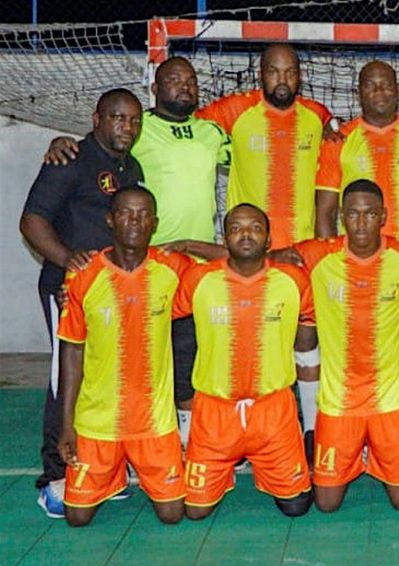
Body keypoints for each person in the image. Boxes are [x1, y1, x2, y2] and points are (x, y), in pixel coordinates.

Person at [43, 56, 232, 452]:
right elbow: (91, 151)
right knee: (98, 365)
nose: (185, 86)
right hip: (116, 273)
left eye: (191, 80)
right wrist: (62, 143)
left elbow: (254, 150)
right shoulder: (126, 136)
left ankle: (171, 445)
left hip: (185, 270)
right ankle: (65, 465)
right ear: (155, 88)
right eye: (174, 79)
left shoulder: (209, 134)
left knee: (179, 363)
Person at [20, 88, 144, 518]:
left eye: (133, 120)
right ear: (97, 119)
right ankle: (55, 477)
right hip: (68, 290)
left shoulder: (130, 167)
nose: (126, 127)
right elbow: (32, 220)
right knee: (65, 381)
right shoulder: (69, 159)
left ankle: (101, 471)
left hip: (111, 294)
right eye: (117, 118)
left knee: (102, 381)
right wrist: (66, 260)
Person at [294, 180, 399, 513]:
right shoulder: (317, 255)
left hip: (391, 400)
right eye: (353, 214)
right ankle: (359, 452)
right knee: (326, 504)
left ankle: (378, 454)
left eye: (370, 214)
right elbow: (260, 257)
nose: (361, 223)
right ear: (341, 216)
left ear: (383, 216)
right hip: (340, 402)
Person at [56, 186, 188, 527]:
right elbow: (72, 349)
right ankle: (108, 477)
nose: (135, 221)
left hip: (154, 421)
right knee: (77, 518)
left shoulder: (172, 268)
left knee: (173, 514)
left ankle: (127, 473)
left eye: (144, 214)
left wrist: (191, 245)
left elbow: (232, 263)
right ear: (110, 220)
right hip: (98, 421)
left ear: (155, 223)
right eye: (127, 213)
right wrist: (66, 423)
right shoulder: (82, 275)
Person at [174, 203, 316, 519]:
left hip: (273, 411)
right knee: (195, 511)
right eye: (236, 228)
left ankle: (283, 460)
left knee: (296, 507)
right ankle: (221, 460)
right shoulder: (198, 279)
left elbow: (313, 321)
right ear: (224, 238)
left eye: (254, 227)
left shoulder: (294, 280)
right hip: (215, 412)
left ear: (268, 240)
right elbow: (156, 309)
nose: (246, 234)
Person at [197, 44, 333, 248]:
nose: (282, 80)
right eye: (273, 72)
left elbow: (331, 127)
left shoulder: (317, 114)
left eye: (290, 72)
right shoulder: (235, 109)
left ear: (300, 76)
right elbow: (190, 126)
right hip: (248, 248)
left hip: (301, 245)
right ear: (261, 75)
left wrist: (331, 128)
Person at [316, 61, 399, 254]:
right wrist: (327, 262)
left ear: (397, 90)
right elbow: (326, 212)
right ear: (358, 93)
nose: (379, 91)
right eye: (370, 85)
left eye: (386, 85)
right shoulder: (338, 141)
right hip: (355, 260)